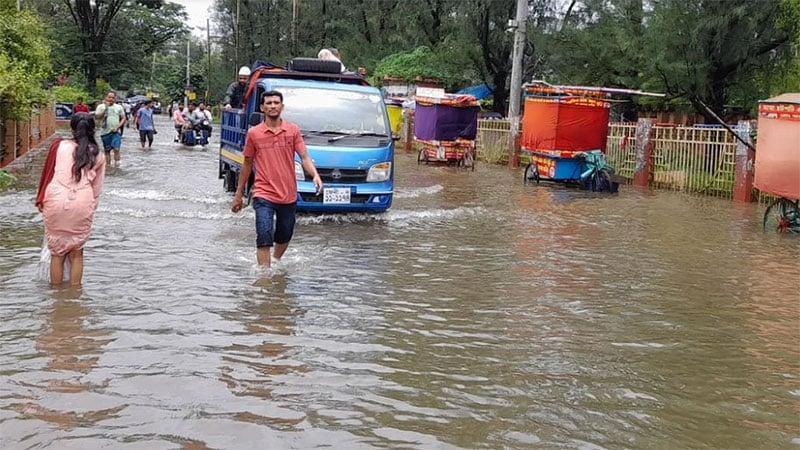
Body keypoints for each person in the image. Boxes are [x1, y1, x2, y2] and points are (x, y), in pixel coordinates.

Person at [231, 90, 323, 267]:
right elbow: (247, 164)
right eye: (268, 103)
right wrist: (239, 193)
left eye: (276, 102)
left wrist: (316, 175)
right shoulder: (254, 134)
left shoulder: (292, 130)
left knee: (285, 234)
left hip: (288, 194)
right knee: (264, 235)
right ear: (262, 108)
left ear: (282, 106)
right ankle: (264, 279)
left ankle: (276, 260)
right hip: (263, 193)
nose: (272, 106)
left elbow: (304, 157)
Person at [36, 113, 106, 287]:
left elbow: (48, 173)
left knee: (57, 254)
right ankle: (74, 297)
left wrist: (42, 200)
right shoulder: (98, 155)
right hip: (83, 202)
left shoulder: (59, 146)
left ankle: (57, 300)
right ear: (93, 129)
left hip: (55, 199)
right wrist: (89, 208)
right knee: (77, 253)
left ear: (72, 128)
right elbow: (96, 190)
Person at [94, 91, 126, 169]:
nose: (111, 99)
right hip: (105, 133)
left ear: (115, 99)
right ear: (106, 97)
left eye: (113, 97)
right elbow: (97, 117)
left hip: (115, 132)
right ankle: (108, 167)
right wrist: (105, 108)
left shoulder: (119, 107)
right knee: (107, 151)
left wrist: (118, 127)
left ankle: (117, 166)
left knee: (116, 148)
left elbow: (123, 118)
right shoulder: (101, 106)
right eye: (109, 97)